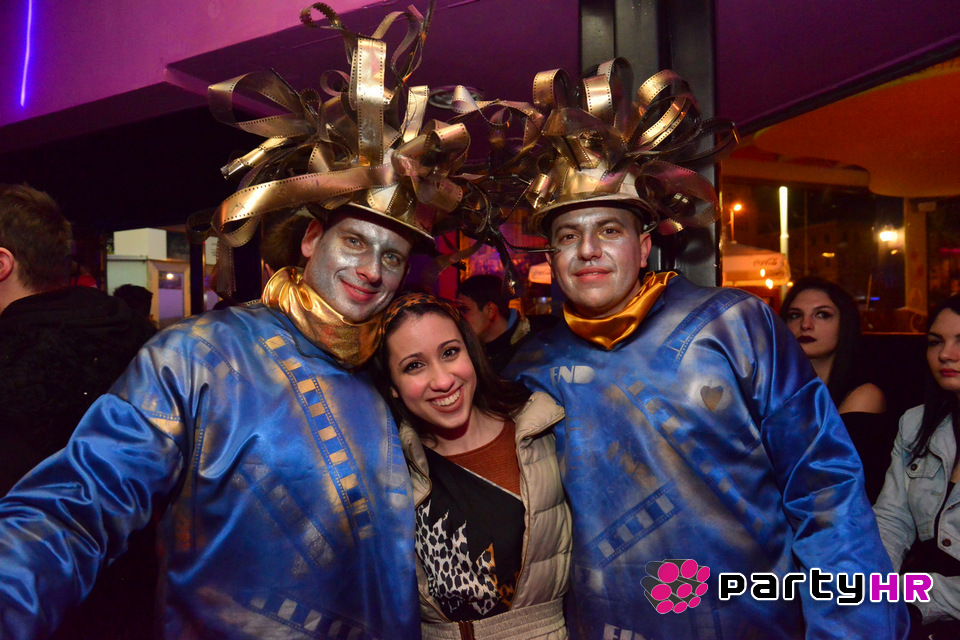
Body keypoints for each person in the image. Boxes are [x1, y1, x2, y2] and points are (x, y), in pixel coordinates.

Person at [0, 6, 472, 638]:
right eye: (355, 241)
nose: (372, 269)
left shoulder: (389, 369)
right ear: (311, 240)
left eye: (392, 255)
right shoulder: (198, 356)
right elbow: (81, 502)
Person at [506, 64, 908, 639]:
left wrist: (853, 629)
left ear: (644, 245)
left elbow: (824, 488)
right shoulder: (532, 366)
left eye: (610, 230)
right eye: (568, 236)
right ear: (551, 256)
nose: (588, 249)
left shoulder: (735, 324)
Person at [373, 292, 570, 639]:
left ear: (471, 352)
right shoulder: (387, 466)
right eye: (414, 366)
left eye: (450, 352)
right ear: (393, 387)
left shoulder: (542, 428)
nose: (443, 381)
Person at [874, 294, 960, 639]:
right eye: (935, 342)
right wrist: (875, 590)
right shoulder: (915, 424)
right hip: (913, 598)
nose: (945, 355)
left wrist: (907, 598)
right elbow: (892, 519)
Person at [780, 276, 892, 501]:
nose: (806, 325)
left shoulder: (864, 395)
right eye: (795, 315)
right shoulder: (776, 389)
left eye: (822, 314)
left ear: (844, 325)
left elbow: (829, 481)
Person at [458, 274, 558, 372]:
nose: (460, 318)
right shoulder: (472, 352)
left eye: (464, 310)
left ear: (490, 310)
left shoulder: (540, 338)